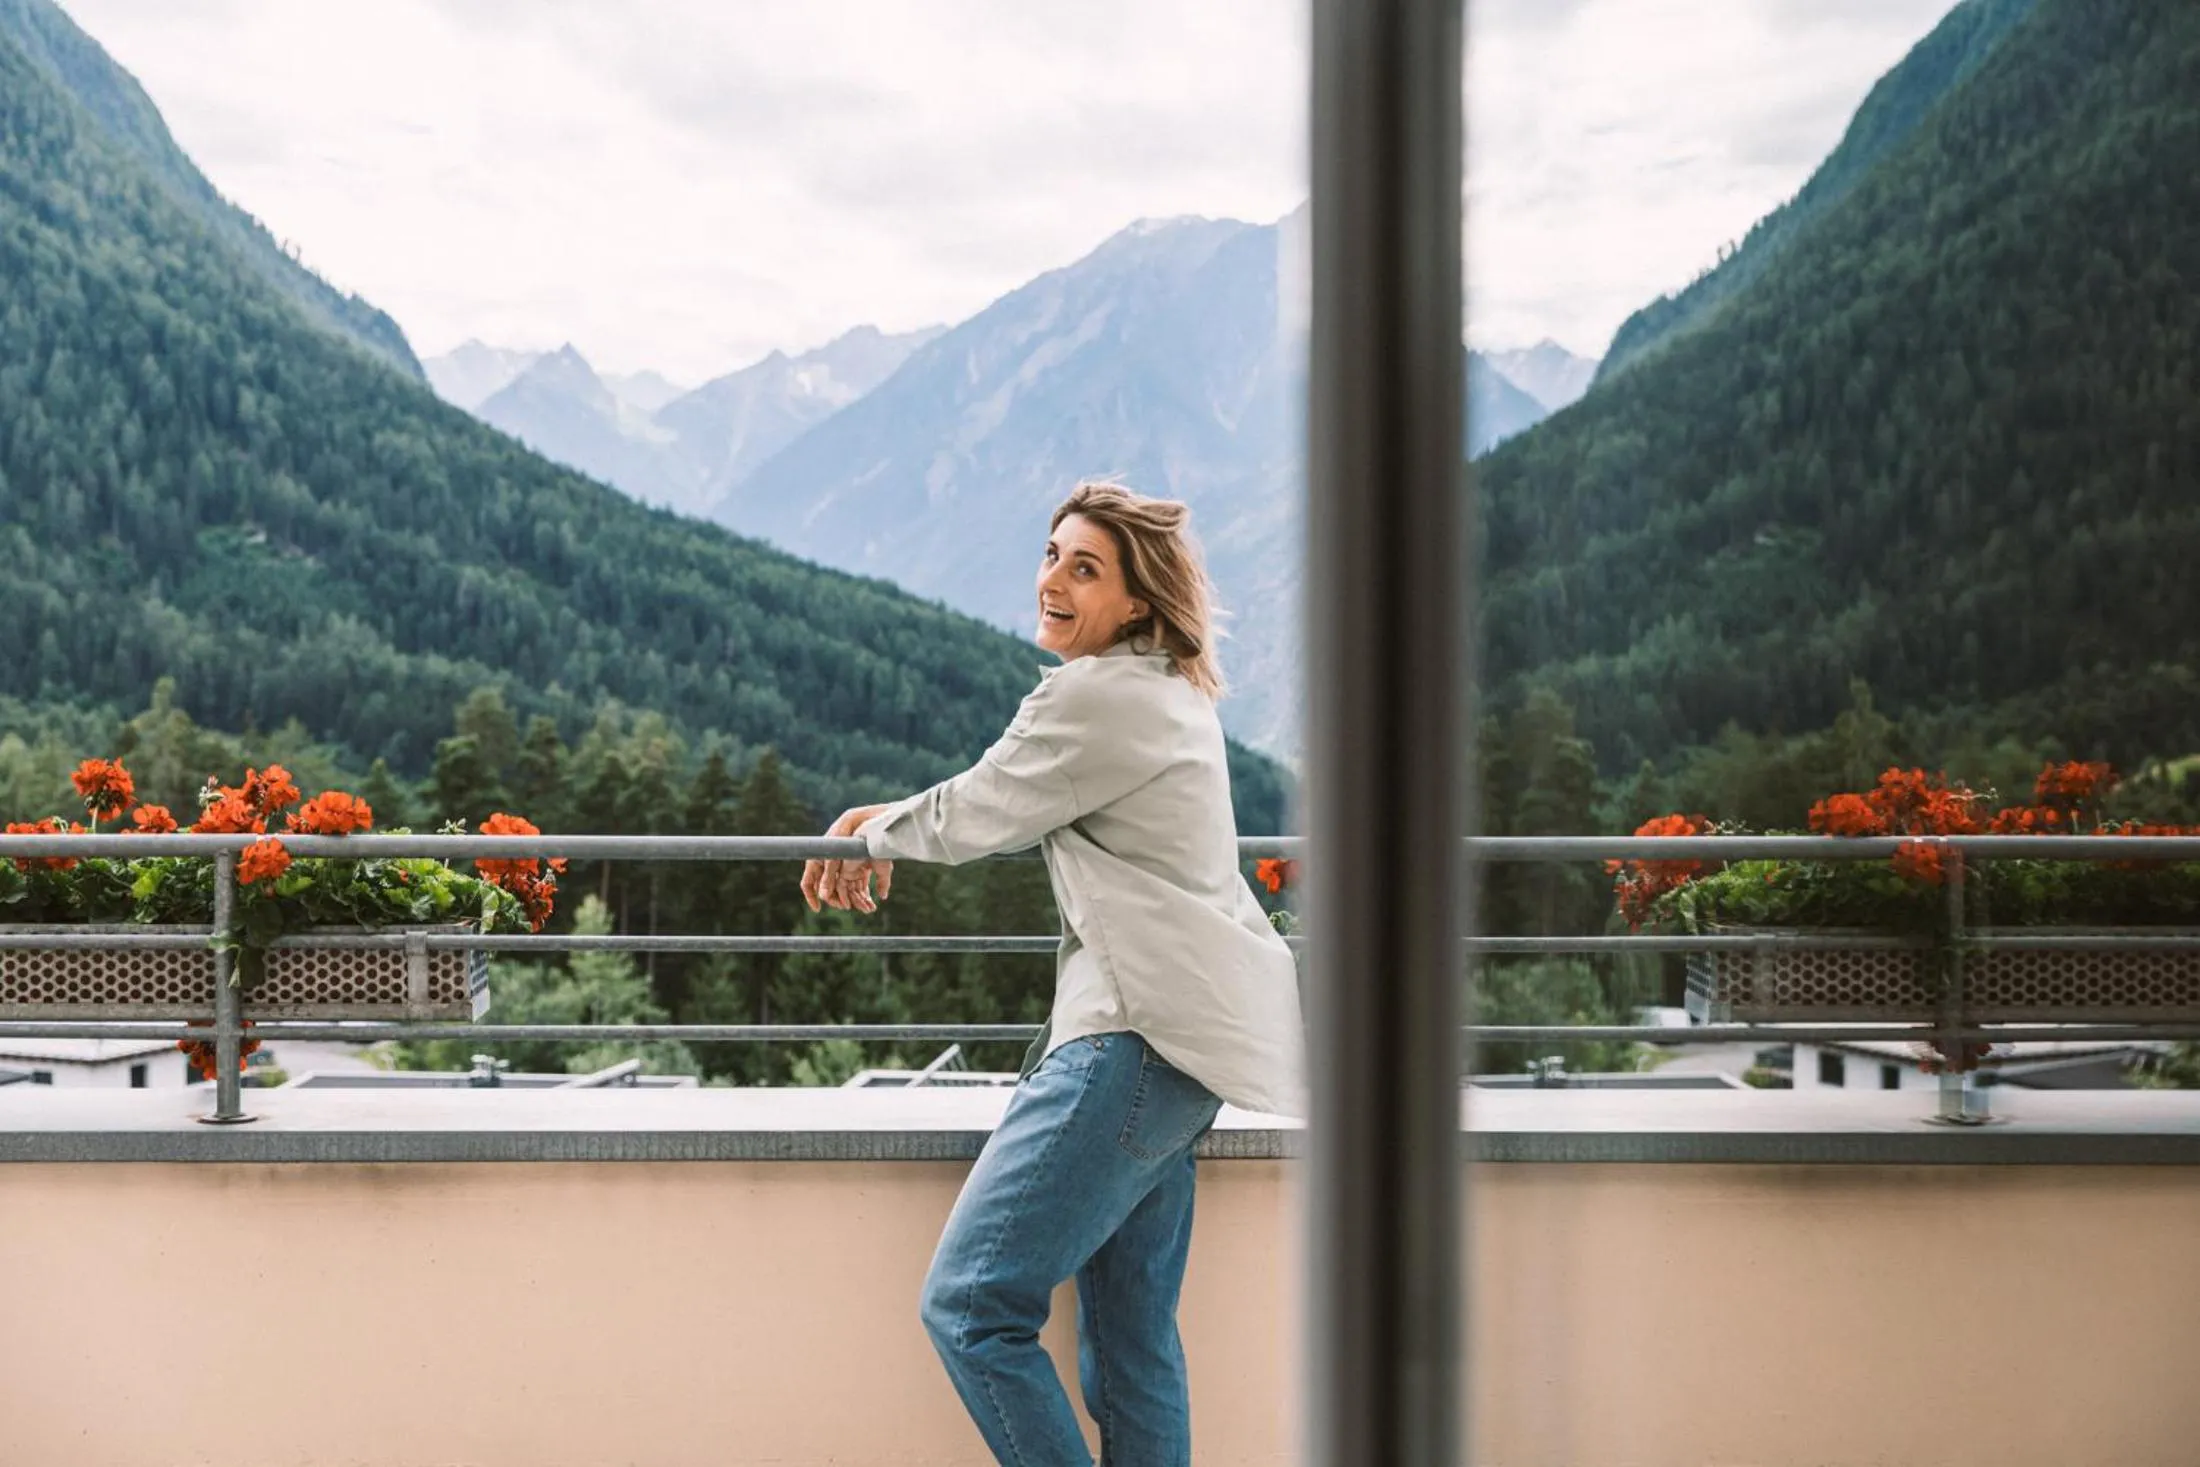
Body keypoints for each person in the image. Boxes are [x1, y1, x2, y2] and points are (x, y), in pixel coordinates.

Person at [800, 480, 1306, 1465]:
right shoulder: (1162, 690)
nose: (1053, 581)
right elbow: (1010, 789)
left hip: (1128, 1043)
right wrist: (886, 817)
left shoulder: (1095, 694)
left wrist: (874, 836)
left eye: (1085, 569)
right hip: (1181, 1058)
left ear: (1137, 604)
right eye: (1049, 555)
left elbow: (979, 811)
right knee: (1128, 1346)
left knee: (971, 1305)